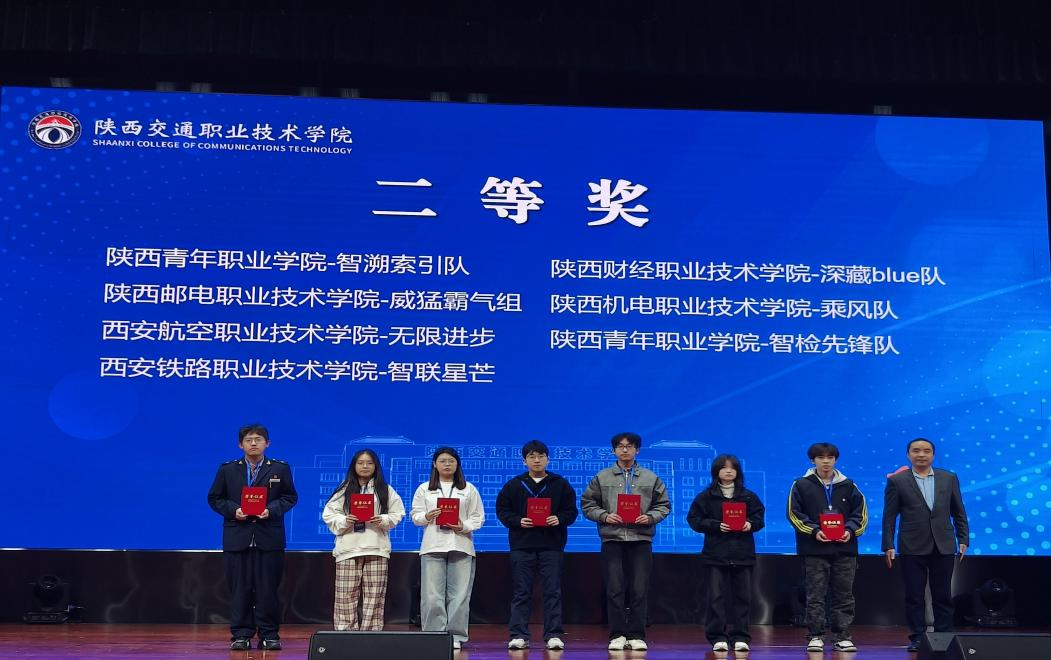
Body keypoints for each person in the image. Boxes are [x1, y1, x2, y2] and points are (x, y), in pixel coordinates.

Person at [207, 424, 298, 651]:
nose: (254, 443)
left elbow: (290, 497)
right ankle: (241, 634)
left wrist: (271, 510)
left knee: (268, 590)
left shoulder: (280, 468)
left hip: (269, 538)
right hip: (237, 538)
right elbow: (215, 498)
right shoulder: (227, 469)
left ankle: (269, 635)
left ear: (268, 443)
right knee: (240, 590)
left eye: (258, 439)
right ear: (240, 445)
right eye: (249, 440)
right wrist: (233, 510)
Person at [581, 432, 671, 652]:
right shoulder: (602, 477)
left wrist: (650, 517)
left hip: (641, 539)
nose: (624, 450)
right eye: (620, 446)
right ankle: (618, 634)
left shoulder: (650, 477)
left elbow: (664, 505)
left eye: (629, 446)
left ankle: (637, 635)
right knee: (615, 588)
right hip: (612, 539)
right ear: (614, 450)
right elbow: (587, 504)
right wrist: (604, 516)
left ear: (637, 450)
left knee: (639, 589)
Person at [882, 437, 970, 652]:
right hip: (911, 545)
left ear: (933, 454)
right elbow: (889, 516)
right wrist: (888, 544)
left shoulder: (948, 478)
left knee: (943, 594)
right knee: (914, 595)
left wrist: (963, 538)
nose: (921, 454)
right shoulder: (897, 481)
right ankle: (918, 637)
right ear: (908, 454)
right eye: (916, 451)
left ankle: (944, 636)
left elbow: (959, 511)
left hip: (944, 544)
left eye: (926, 451)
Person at [495, 440, 579, 651]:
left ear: (548, 459)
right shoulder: (514, 485)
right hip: (522, 546)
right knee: (521, 592)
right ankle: (518, 635)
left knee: (552, 592)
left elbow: (571, 511)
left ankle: (553, 635)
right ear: (524, 461)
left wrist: (559, 518)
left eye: (541, 456)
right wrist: (518, 521)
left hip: (552, 546)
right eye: (532, 456)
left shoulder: (560, 483)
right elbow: (502, 511)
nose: (537, 460)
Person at [787, 442, 868, 653]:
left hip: (845, 549)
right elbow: (794, 514)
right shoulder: (801, 484)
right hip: (814, 550)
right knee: (815, 595)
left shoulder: (849, 485)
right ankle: (815, 636)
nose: (825, 461)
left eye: (830, 457)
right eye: (821, 457)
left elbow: (860, 514)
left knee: (844, 595)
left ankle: (842, 636)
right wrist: (814, 531)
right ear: (812, 460)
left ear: (835, 460)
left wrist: (850, 530)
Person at [686, 454, 765, 654]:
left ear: (738, 471)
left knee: (743, 597)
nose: (728, 471)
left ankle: (740, 637)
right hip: (716, 554)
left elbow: (759, 519)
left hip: (743, 553)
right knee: (715, 597)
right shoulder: (706, 496)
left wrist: (750, 524)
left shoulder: (749, 496)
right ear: (716, 471)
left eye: (732, 468)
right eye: (724, 467)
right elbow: (694, 520)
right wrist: (715, 525)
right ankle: (717, 637)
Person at [322, 448, 405, 631]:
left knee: (375, 595)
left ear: (376, 466)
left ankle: (370, 634)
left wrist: (382, 519)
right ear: (354, 465)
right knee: (345, 595)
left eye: (369, 463)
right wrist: (346, 520)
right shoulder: (344, 489)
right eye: (360, 463)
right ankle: (345, 634)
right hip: (348, 549)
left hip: (376, 548)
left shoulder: (385, 489)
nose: (365, 466)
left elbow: (398, 513)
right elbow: (329, 515)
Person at [410, 447, 485, 651]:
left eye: (451, 461)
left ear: (457, 464)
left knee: (459, 596)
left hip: (461, 545)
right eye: (442, 461)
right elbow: (415, 516)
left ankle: (455, 636)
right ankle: (434, 635)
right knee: (432, 596)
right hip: (432, 546)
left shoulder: (468, 488)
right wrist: (427, 516)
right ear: (434, 464)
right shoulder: (425, 488)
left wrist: (463, 526)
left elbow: (478, 517)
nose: (447, 464)